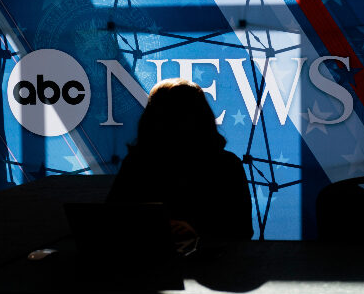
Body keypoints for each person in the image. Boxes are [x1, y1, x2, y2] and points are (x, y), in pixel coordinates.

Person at [106, 78, 253, 247]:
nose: (173, 125)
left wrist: (197, 234)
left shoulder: (227, 166)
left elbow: (241, 232)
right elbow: (113, 220)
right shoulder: (136, 163)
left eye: (179, 116)